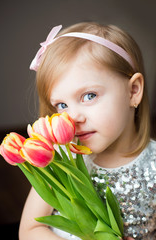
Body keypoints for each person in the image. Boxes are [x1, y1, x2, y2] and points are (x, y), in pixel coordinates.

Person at [19, 22, 156, 240]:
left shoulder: (153, 165)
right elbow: (29, 230)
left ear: (133, 91)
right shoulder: (61, 159)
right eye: (61, 105)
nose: (73, 117)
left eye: (89, 96)